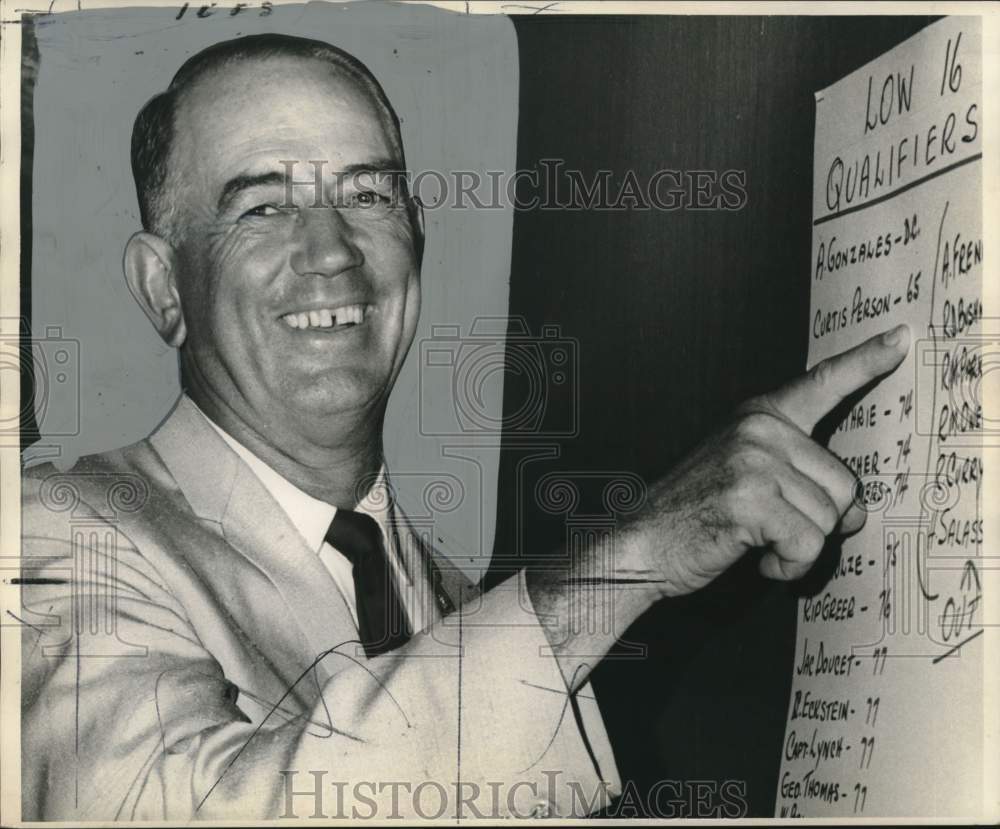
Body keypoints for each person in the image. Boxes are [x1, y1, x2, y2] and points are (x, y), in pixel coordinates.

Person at [19, 33, 910, 821]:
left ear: (416, 239)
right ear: (163, 287)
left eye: (369, 194)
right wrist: (640, 554)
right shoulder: (56, 534)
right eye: (262, 207)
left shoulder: (455, 602)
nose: (331, 250)